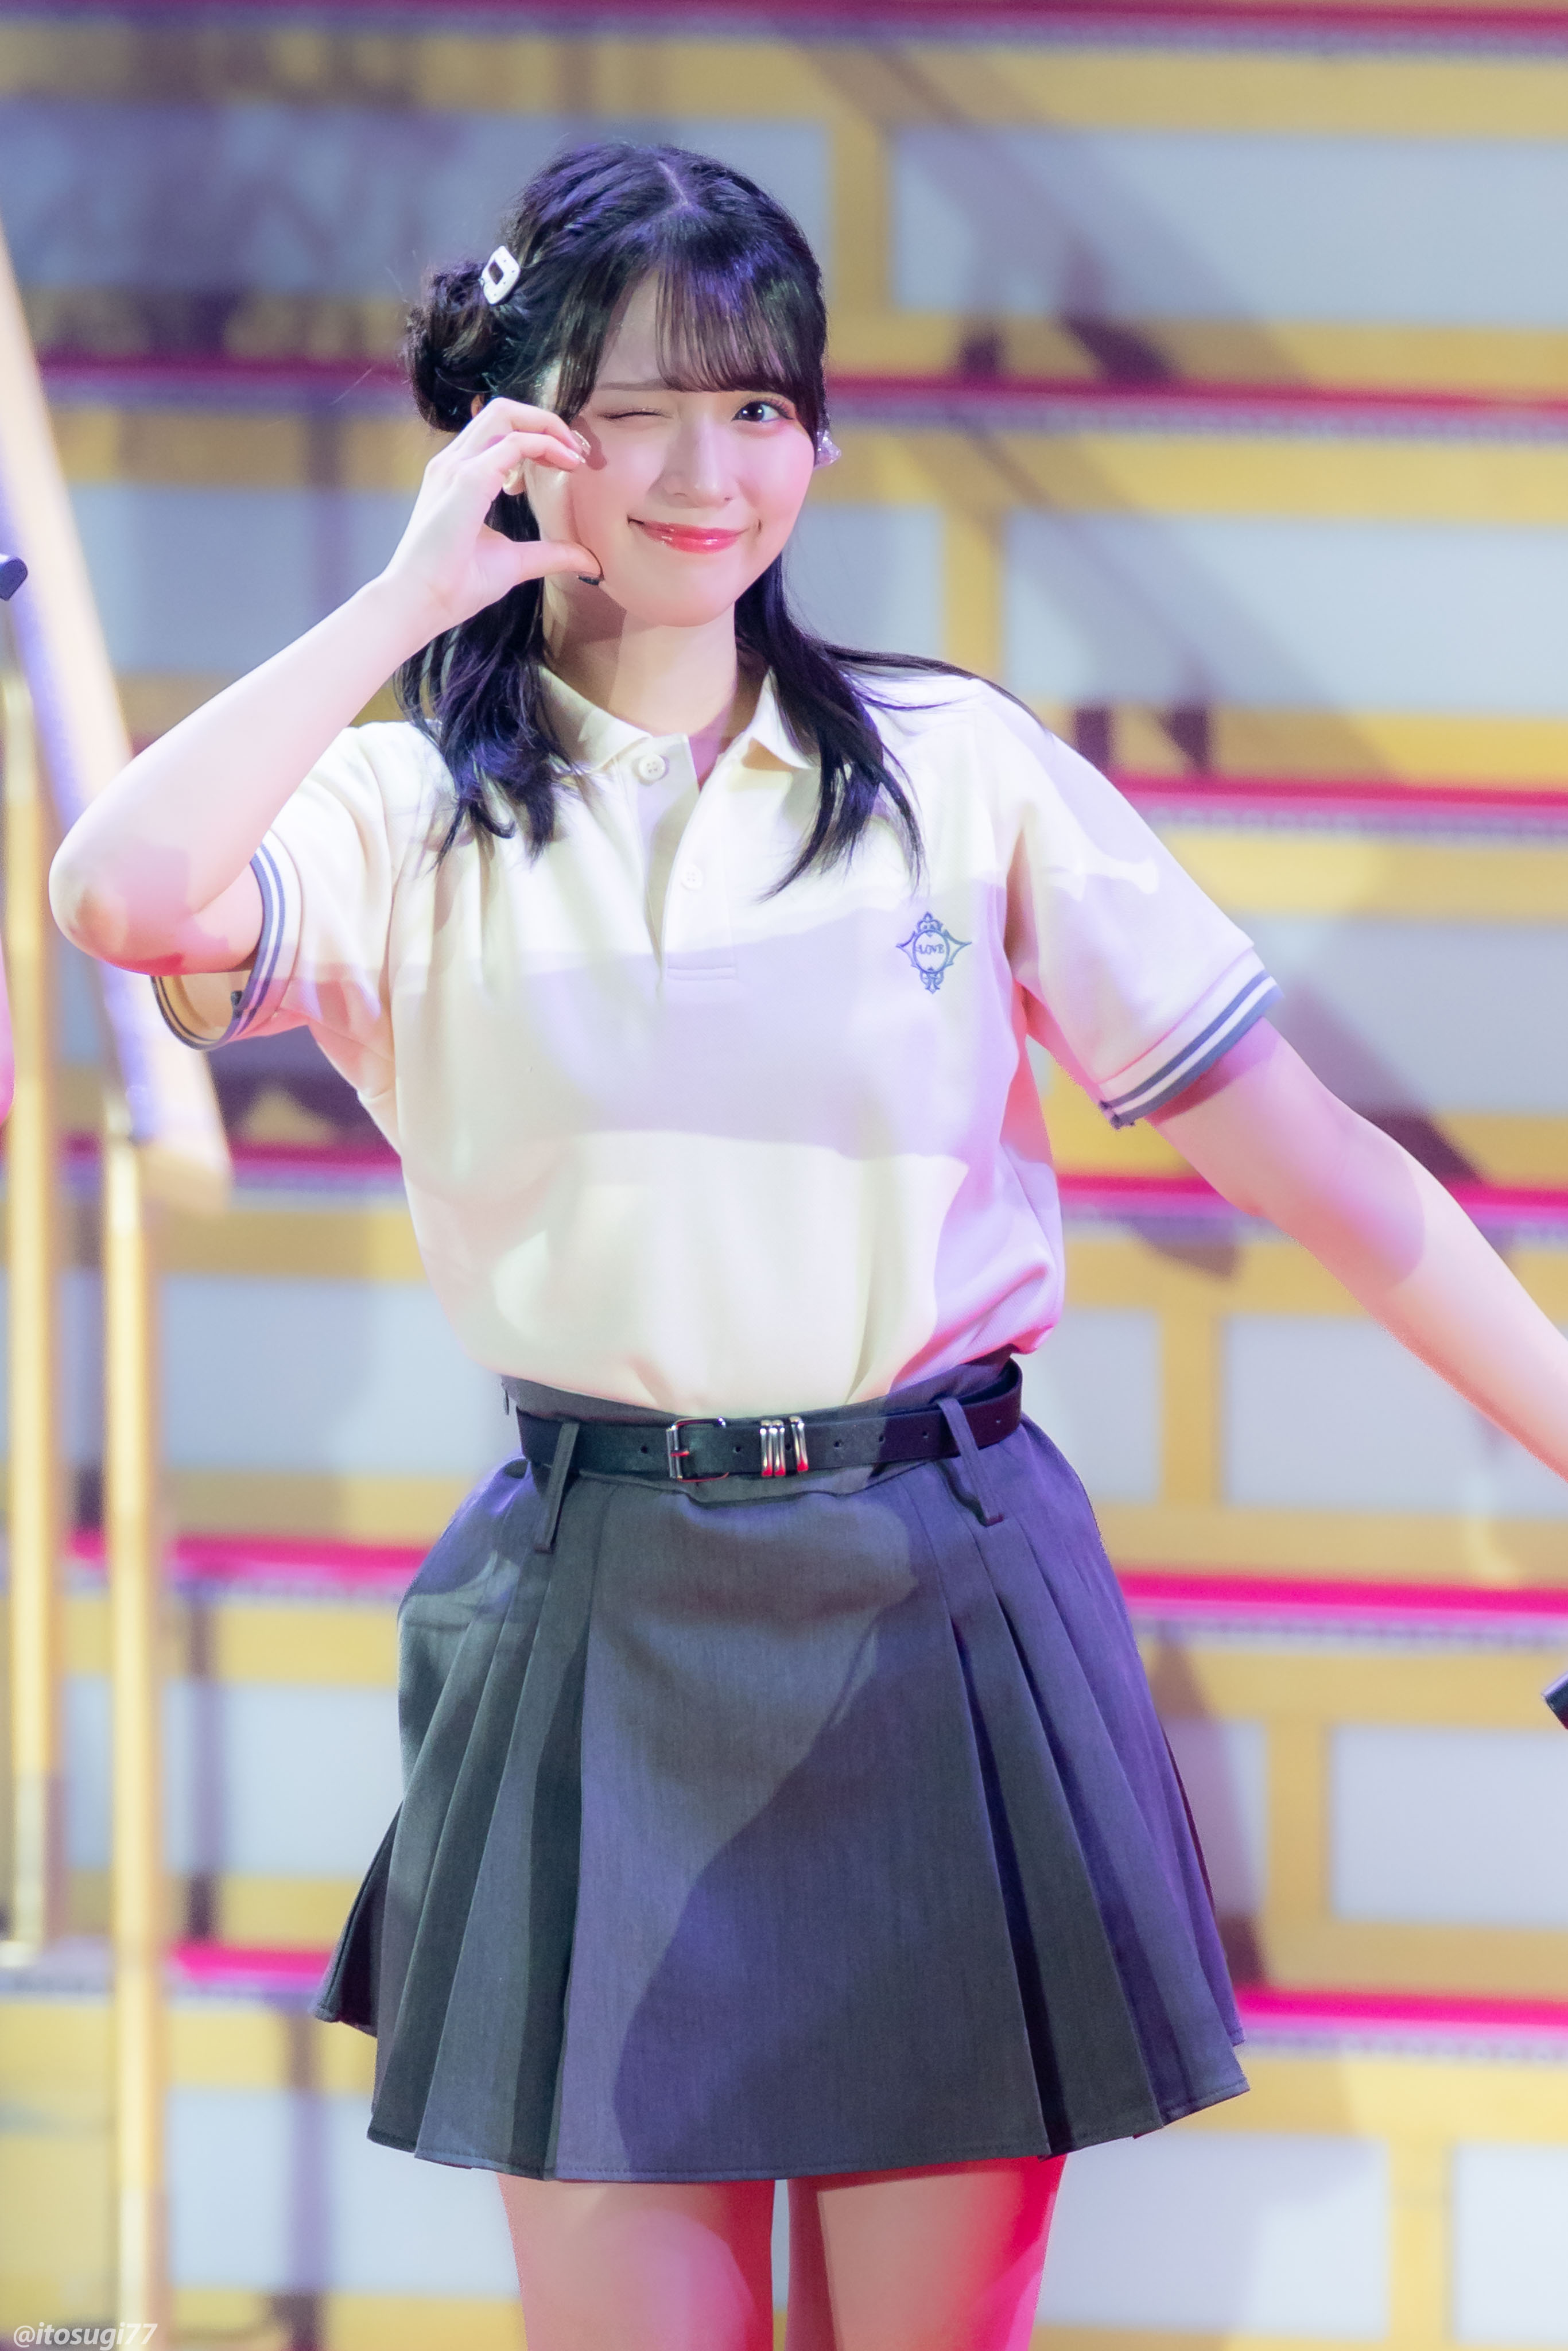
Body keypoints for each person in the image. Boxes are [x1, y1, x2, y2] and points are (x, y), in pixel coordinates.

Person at [49, 142, 1568, 2351]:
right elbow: (119, 894)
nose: (709, 471)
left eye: (759, 405)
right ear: (519, 435)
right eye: (639, 408)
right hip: (598, 1611)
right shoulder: (398, 812)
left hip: (941, 1593)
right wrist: (400, 602)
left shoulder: (959, 770)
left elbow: (1321, 1169)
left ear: (820, 442)